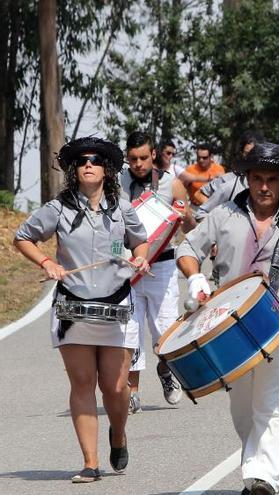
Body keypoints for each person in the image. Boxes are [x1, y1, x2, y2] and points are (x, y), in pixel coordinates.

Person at [176, 142, 279, 495]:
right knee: (243, 408)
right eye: (257, 178)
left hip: (277, 324)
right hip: (227, 328)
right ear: (247, 178)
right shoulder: (223, 214)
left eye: (272, 179)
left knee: (272, 404)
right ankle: (256, 466)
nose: (263, 186)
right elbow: (187, 247)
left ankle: (263, 481)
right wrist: (196, 277)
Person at [14, 137, 151, 482]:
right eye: (81, 161)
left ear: (107, 170)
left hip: (116, 305)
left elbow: (141, 241)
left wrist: (141, 258)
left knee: (116, 387)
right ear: (74, 170)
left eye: (95, 160)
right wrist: (47, 261)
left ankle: (118, 435)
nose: (88, 164)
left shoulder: (123, 209)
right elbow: (23, 237)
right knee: (82, 383)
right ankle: (90, 463)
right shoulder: (57, 209)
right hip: (72, 307)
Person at [119, 131, 195, 414]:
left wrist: (186, 215)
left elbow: (189, 228)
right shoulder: (117, 183)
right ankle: (133, 393)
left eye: (143, 157)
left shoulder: (172, 184)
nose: (138, 163)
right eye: (133, 159)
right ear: (127, 158)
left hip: (162, 266)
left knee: (165, 331)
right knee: (130, 331)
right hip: (129, 267)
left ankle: (166, 371)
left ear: (153, 155)